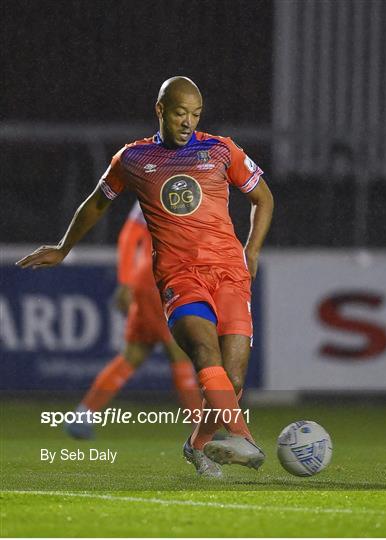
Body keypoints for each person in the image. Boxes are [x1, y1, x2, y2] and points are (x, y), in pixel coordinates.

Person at [17, 76, 274, 478]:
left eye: (195, 114)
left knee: (235, 375)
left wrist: (251, 250)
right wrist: (64, 247)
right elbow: (97, 203)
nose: (188, 121)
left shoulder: (221, 150)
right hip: (179, 278)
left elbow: (263, 197)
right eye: (179, 113)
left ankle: (197, 444)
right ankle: (243, 436)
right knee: (205, 355)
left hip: (230, 272)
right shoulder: (134, 159)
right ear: (159, 110)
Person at [66, 201, 202, 440]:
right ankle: (202, 431)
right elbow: (131, 235)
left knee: (134, 354)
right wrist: (125, 282)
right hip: (161, 281)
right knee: (180, 351)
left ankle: (83, 414)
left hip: (151, 280)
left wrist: (129, 281)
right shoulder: (181, 190)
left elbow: (131, 235)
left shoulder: (153, 188)